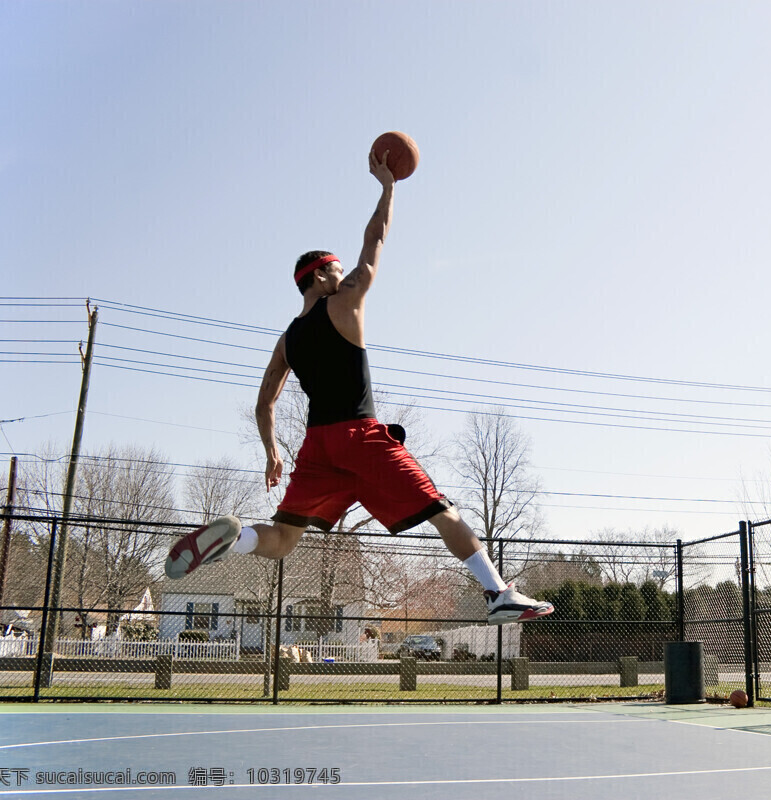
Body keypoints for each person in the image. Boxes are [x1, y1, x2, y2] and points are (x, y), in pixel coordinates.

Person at [164, 150, 553, 625]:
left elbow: (264, 403)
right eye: (336, 268)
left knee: (283, 539)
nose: (344, 273)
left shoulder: (287, 340)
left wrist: (272, 453)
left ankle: (237, 537)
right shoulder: (345, 302)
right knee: (442, 511)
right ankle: (498, 594)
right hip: (361, 438)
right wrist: (388, 187)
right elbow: (377, 238)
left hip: (317, 446)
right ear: (322, 275)